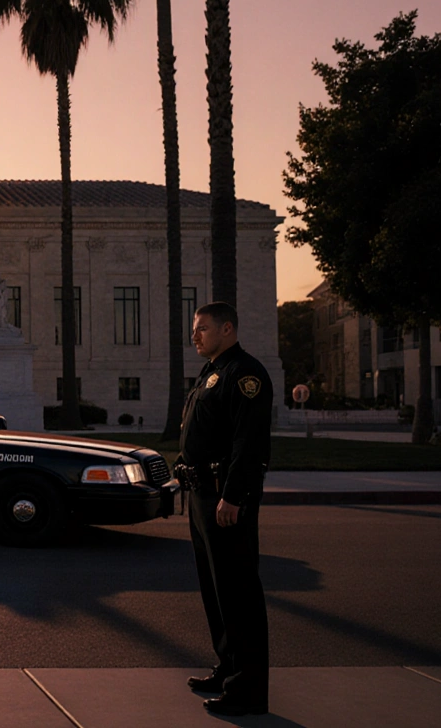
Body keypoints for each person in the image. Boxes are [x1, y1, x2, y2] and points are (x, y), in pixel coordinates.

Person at [176, 301, 273, 716]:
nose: (194, 335)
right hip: (203, 496)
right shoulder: (213, 370)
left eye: (202, 328)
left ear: (227, 329)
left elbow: (247, 444)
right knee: (216, 591)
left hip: (224, 497)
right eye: (195, 328)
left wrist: (233, 496)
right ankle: (228, 667)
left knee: (238, 593)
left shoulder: (244, 374)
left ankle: (248, 690)